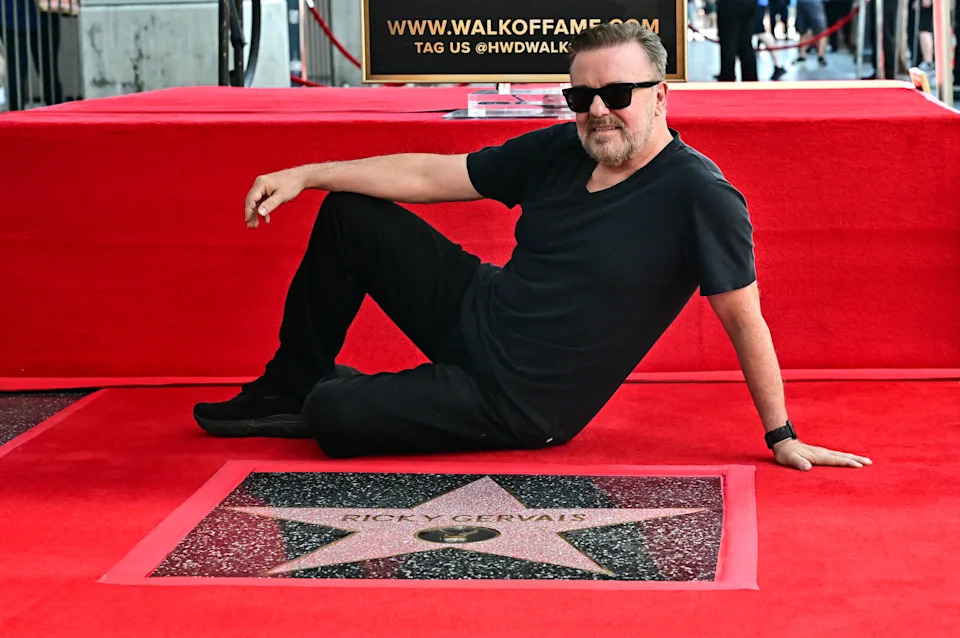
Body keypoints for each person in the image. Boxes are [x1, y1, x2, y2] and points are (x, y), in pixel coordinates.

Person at [194, 23, 872, 472]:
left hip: (522, 398)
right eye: (582, 95)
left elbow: (743, 318)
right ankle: (285, 385)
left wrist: (780, 436)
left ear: (662, 97)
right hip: (480, 310)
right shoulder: (563, 146)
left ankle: (324, 392)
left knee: (332, 418)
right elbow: (435, 175)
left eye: (616, 93)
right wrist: (307, 174)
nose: (598, 110)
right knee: (349, 216)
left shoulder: (701, 196)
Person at [0, 0, 63, 110]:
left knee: (20, 71)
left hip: (33, 15)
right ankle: (58, 114)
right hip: (17, 15)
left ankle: (16, 118)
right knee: (45, 71)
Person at [716, 0, 759, 81]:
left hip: (730, 4)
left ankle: (727, 78)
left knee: (728, 43)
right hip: (750, 4)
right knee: (746, 44)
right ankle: (751, 80)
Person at [754, 0, 787, 80]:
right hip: (755, 4)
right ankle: (778, 64)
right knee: (759, 31)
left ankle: (778, 64)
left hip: (756, 4)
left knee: (760, 31)